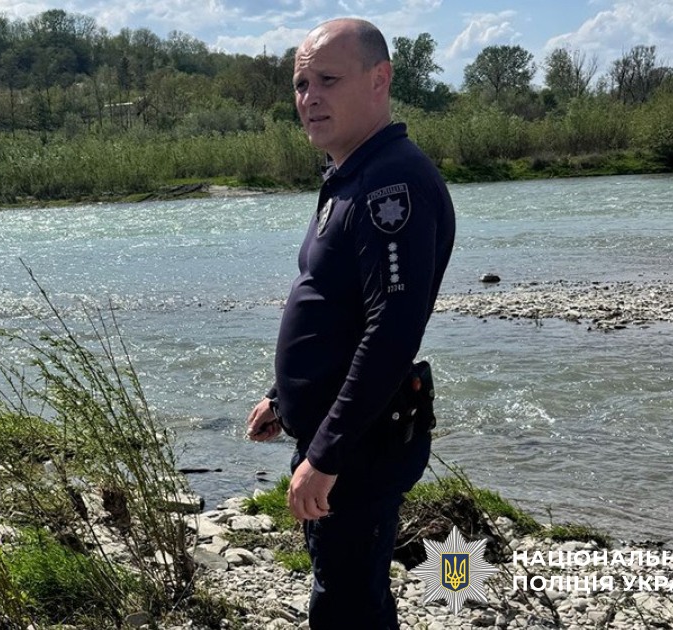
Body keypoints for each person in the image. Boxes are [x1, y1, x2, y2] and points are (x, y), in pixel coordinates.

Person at [245, 17, 456, 629]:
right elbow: (338, 306)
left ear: (379, 79)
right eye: (301, 84)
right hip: (340, 435)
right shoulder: (351, 174)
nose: (309, 97)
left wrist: (327, 455)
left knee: (348, 607)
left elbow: (392, 330)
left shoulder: (393, 183)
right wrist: (283, 396)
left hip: (361, 445)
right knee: (342, 590)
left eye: (328, 80)